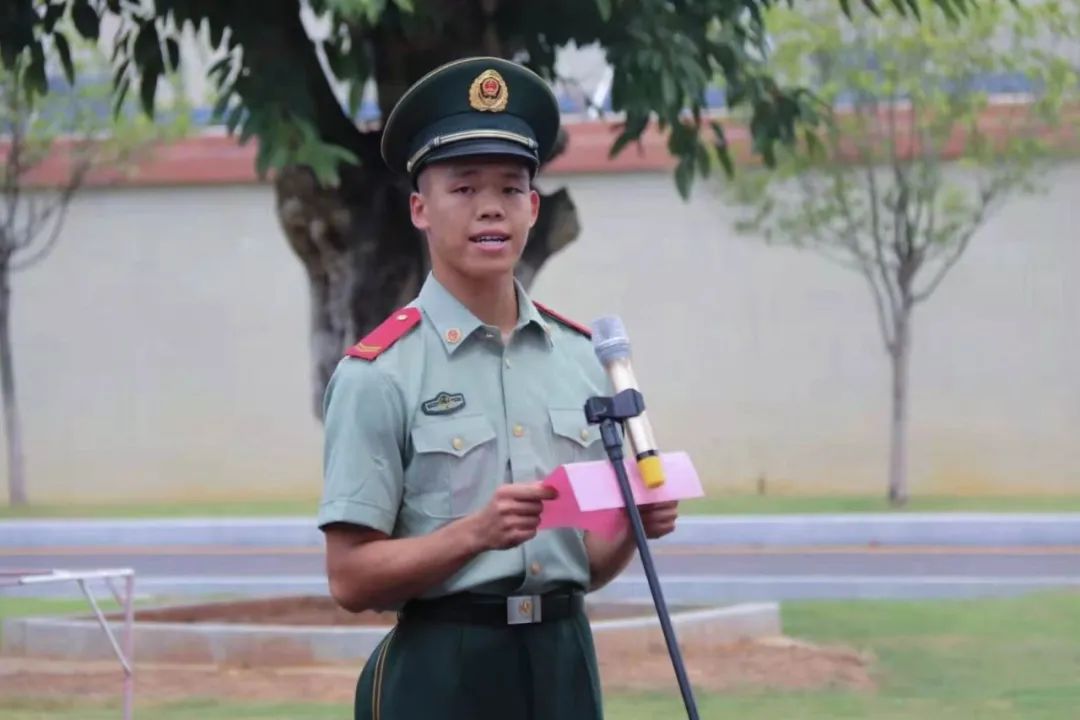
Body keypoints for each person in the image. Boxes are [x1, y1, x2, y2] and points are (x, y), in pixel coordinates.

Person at [317, 56, 680, 720]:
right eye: (464, 188)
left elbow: (584, 564)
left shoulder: (580, 361)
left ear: (534, 208)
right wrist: (475, 533)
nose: (491, 207)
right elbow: (349, 577)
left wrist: (632, 523)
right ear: (421, 209)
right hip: (443, 666)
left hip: (564, 657)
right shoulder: (380, 374)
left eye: (511, 188)